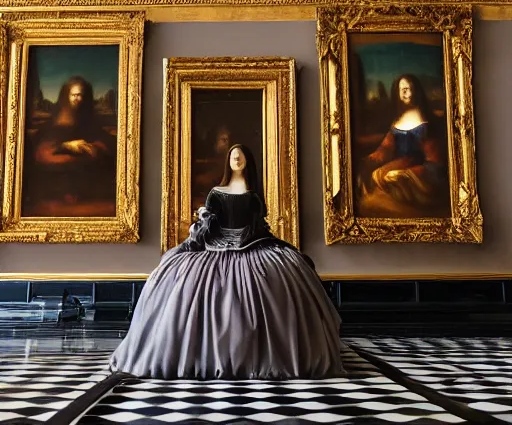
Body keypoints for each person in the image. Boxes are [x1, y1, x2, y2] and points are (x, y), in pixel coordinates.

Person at [110, 144, 342, 380]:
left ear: (247, 161)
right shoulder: (216, 192)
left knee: (288, 269)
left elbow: (259, 227)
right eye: (233, 157)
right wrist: (198, 235)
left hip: (251, 244)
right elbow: (210, 226)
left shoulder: (253, 195)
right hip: (216, 245)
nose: (237, 160)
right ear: (228, 162)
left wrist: (279, 246)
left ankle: (267, 354)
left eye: (241, 156)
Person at [357, 73, 449, 218]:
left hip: (421, 172)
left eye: (412, 89)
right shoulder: (398, 119)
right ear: (398, 92)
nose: (409, 93)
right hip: (401, 163)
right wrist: (370, 159)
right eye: (404, 90)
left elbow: (435, 165)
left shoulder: (427, 122)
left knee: (389, 179)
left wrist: (406, 174)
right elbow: (386, 148)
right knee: (377, 175)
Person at [23, 76, 116, 217]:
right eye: (74, 95)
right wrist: (66, 146)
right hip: (55, 185)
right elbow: (42, 153)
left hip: (86, 181)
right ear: (66, 96)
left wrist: (92, 147)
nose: (78, 99)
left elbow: (105, 143)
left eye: (81, 95)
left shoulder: (89, 120)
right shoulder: (55, 123)